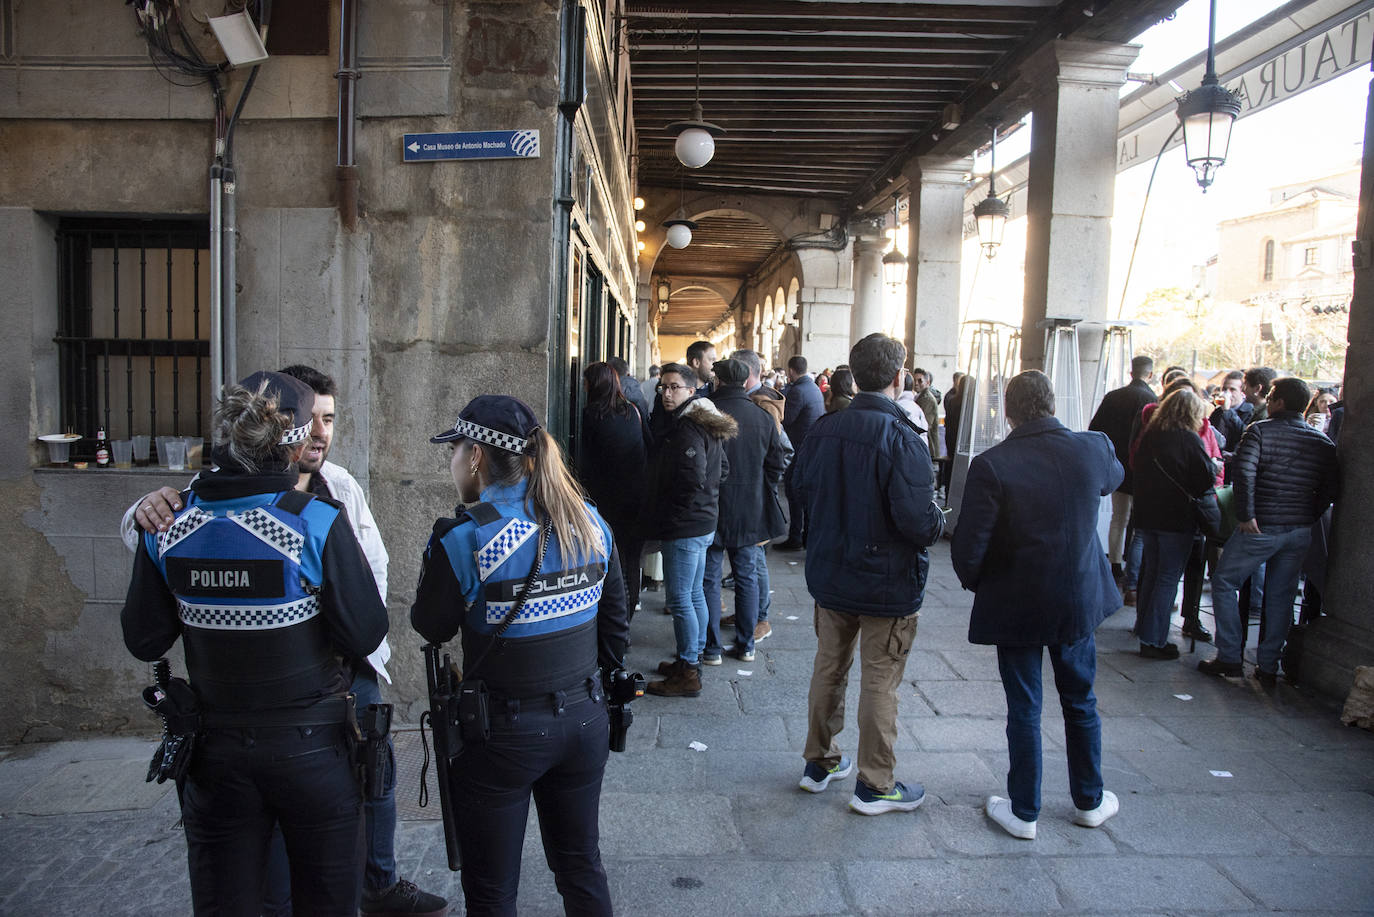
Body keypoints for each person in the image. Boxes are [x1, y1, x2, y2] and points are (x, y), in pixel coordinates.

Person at [122, 365, 446, 917]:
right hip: (311, 752)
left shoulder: (173, 525)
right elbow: (366, 630)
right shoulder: (312, 521)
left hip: (216, 753)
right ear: (292, 447)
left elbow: (145, 637)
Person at [410, 395, 628, 916]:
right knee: (581, 867)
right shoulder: (589, 522)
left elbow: (430, 625)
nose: (454, 461)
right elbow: (615, 622)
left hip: (500, 735)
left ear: (477, 457)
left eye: (456, 449)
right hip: (583, 719)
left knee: (491, 892)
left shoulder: (467, 535)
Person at [951, 370, 1122, 840]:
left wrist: (981, 583)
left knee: (1024, 707)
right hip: (1077, 599)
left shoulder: (993, 464)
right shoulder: (1093, 448)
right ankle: (1089, 799)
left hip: (1017, 600)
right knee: (1081, 699)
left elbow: (969, 546)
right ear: (1052, 403)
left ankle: (1024, 810)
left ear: (1007, 411)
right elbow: (1114, 479)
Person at [794, 333, 945, 814]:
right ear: (900, 377)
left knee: (829, 666)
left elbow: (800, 490)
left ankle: (819, 763)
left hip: (832, 573)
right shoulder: (903, 436)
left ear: (856, 376)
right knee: (881, 679)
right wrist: (939, 517)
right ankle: (875, 784)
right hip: (887, 581)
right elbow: (919, 523)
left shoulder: (823, 429)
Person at [1201, 377, 1339, 686]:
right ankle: (1268, 665)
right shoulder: (1322, 441)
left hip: (1261, 526)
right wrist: (1308, 515)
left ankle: (1229, 656)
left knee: (1224, 581)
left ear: (1277, 402)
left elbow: (1245, 472)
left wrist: (1247, 514)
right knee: (1281, 595)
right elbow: (1331, 487)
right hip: (1299, 529)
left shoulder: (1260, 431)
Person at [642, 363, 737, 694]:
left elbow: (691, 481)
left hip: (686, 526)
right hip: (703, 520)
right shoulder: (704, 420)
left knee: (681, 598)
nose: (667, 393)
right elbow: (721, 470)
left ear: (691, 391)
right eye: (663, 387)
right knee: (694, 593)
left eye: (674, 387)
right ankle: (690, 659)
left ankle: (688, 673)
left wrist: (675, 514)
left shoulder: (686, 429)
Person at [702, 358, 790, 663]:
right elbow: (777, 463)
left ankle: (711, 648)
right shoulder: (763, 416)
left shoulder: (704, 412)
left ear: (719, 380)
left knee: (710, 577)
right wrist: (758, 486)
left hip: (710, 506)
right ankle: (746, 645)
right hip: (750, 507)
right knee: (747, 576)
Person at [1129, 389, 1219, 659]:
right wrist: (1213, 466)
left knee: (1152, 576)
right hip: (1176, 519)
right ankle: (1154, 640)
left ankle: (1145, 631)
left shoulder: (1150, 437)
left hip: (1148, 516)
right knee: (1167, 579)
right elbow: (1205, 478)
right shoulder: (1189, 439)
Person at [577, 361, 652, 619]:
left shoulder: (591, 415)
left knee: (608, 558)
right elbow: (649, 444)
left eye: (585, 381)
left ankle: (611, 617)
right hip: (636, 497)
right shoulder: (632, 410)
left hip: (606, 499)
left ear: (593, 385)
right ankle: (627, 617)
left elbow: (587, 460)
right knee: (631, 559)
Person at [1088, 355, 1155, 583]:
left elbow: (1094, 430)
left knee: (1119, 517)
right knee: (1140, 523)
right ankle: (1134, 568)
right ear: (1151, 374)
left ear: (1131, 372)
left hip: (1116, 466)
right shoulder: (1151, 399)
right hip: (1141, 471)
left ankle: (1115, 564)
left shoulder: (1112, 397)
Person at [778, 355, 825, 550]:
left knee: (794, 492)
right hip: (811, 448)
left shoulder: (798, 391)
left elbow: (787, 419)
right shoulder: (814, 388)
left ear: (791, 371)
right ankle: (807, 535)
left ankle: (795, 537)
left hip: (798, 448)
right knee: (804, 494)